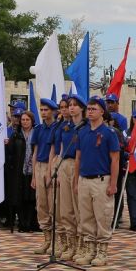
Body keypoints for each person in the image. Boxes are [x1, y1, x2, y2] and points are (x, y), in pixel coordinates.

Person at [73, 96, 121, 267]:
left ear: (102, 111)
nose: (90, 111)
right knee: (86, 218)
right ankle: (89, 249)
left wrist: (113, 183)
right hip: (84, 179)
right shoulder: (82, 132)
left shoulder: (109, 133)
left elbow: (115, 159)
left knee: (102, 216)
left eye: (94, 109)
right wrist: (76, 181)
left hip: (102, 180)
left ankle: (102, 251)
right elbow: (78, 158)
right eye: (88, 109)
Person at [55, 94, 85, 261]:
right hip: (64, 164)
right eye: (69, 105)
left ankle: (81, 244)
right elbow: (60, 148)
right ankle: (70, 243)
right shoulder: (65, 126)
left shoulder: (84, 127)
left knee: (78, 206)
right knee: (66, 207)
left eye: (75, 105)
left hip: (78, 164)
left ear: (82, 108)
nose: (71, 107)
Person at [30, 98, 60, 254]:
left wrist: (49, 173)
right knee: (41, 205)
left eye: (46, 110)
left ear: (53, 111)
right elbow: (35, 152)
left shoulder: (56, 128)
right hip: (40, 166)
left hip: (51, 166)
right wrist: (34, 175)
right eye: (41, 110)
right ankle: (46, 239)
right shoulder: (38, 129)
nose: (43, 113)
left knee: (53, 204)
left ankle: (57, 241)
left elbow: (53, 151)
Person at [104, 94, 129, 224]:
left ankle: (117, 214)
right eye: (107, 102)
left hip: (117, 156)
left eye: (111, 102)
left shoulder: (122, 119)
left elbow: (124, 138)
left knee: (117, 187)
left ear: (117, 103)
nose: (109, 104)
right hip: (104, 161)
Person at [14, 109, 38, 231]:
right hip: (20, 170)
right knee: (21, 198)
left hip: (33, 170)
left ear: (32, 121)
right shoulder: (16, 134)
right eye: (22, 119)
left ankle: (31, 223)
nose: (24, 122)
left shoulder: (36, 133)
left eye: (27, 120)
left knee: (31, 198)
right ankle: (22, 223)